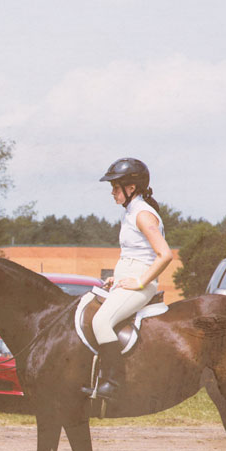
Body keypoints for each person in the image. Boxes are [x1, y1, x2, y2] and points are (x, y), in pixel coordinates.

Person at [84, 157, 174, 400]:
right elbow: (134, 254)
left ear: (131, 188)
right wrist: (118, 277)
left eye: (116, 187)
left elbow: (165, 255)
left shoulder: (143, 214)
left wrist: (141, 281)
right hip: (126, 280)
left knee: (101, 322)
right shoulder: (131, 212)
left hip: (139, 285)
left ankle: (114, 384)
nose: (112, 192)